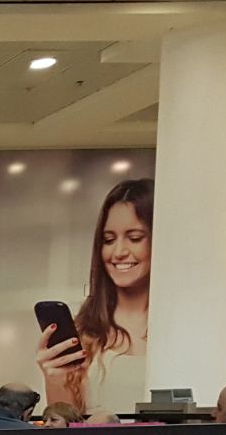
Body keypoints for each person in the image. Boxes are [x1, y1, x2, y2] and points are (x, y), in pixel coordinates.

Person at [36, 178, 152, 415]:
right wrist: (55, 380)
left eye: (135, 238)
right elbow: (66, 422)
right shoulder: (84, 330)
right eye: (109, 240)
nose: (118, 252)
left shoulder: (185, 330)